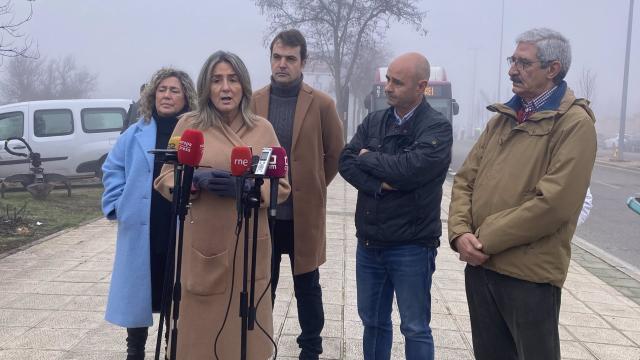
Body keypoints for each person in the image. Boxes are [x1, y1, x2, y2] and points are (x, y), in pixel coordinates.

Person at [448, 28, 597, 360]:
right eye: (512, 60)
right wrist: (460, 233)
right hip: (482, 269)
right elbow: (464, 181)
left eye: (523, 62)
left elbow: (554, 204)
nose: (512, 69)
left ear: (552, 69)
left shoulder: (574, 124)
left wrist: (483, 239)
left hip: (529, 277)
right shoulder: (503, 119)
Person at [154, 50, 291, 359]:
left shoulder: (263, 129)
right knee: (198, 338)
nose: (225, 88)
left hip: (249, 249)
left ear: (243, 85)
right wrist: (189, 183)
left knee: (244, 338)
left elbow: (281, 187)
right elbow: (164, 178)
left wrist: (245, 187)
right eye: (217, 80)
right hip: (202, 245)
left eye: (232, 79)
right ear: (206, 87)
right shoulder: (188, 126)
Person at [338, 52, 452, 360]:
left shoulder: (437, 128)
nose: (388, 87)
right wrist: (378, 183)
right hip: (370, 242)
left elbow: (410, 170)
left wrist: (368, 158)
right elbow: (345, 162)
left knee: (414, 326)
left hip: (412, 246)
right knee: (373, 323)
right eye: (388, 79)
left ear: (421, 86)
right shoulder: (374, 121)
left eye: (397, 82)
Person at [251, 29, 344, 360]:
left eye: (290, 58)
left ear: (303, 62)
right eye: (277, 57)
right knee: (264, 283)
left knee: (307, 285)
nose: (282, 64)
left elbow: (335, 153)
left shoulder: (321, 104)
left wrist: (314, 185)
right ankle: (259, 342)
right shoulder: (254, 101)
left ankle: (311, 347)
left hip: (303, 213)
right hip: (263, 211)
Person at [101, 68, 197, 360]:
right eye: (162, 90)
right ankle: (135, 351)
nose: (167, 96)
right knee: (138, 291)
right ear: (152, 94)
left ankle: (173, 348)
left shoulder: (194, 133)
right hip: (142, 221)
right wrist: (117, 204)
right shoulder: (134, 133)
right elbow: (112, 169)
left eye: (174, 90)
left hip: (179, 221)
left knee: (175, 288)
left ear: (186, 98)